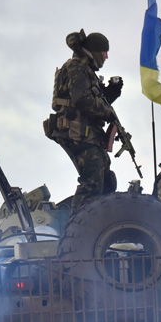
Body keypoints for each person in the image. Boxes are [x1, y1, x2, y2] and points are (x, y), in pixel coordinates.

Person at [44, 29, 122, 211]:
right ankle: (79, 229)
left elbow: (89, 103)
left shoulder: (86, 71)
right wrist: (107, 111)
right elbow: (82, 101)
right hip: (76, 132)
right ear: (95, 52)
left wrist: (110, 95)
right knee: (92, 182)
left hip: (87, 134)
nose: (107, 56)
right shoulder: (76, 67)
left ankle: (98, 222)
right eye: (104, 52)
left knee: (106, 180)